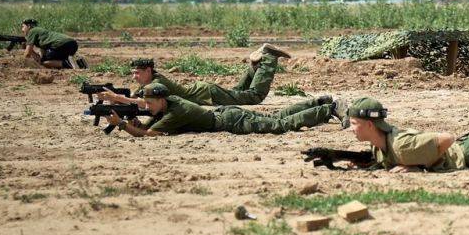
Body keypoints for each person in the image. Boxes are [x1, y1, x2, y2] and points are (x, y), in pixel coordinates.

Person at [106, 82, 345, 136]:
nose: (146, 107)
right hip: (227, 114)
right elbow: (149, 126)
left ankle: (329, 108)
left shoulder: (176, 111)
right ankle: (319, 101)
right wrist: (134, 123)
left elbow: (150, 135)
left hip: (230, 121)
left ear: (161, 100)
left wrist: (123, 125)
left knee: (280, 125)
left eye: (149, 103)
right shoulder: (171, 104)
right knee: (276, 117)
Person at [97, 44, 289, 108]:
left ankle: (268, 57)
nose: (134, 77)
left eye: (137, 73)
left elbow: (144, 103)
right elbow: (136, 99)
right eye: (133, 73)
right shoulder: (152, 81)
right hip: (205, 92)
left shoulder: (155, 83)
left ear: (148, 71)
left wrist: (116, 98)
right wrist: (118, 99)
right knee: (241, 93)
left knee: (253, 96)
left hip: (207, 96)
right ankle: (255, 65)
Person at [20, 18, 85, 69]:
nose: (22, 29)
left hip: (62, 45)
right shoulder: (40, 32)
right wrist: (35, 55)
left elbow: (27, 54)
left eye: (23, 27)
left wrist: (22, 65)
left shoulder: (32, 31)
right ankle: (78, 62)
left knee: (46, 62)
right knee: (45, 60)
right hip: (72, 43)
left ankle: (67, 64)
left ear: (28, 26)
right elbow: (41, 56)